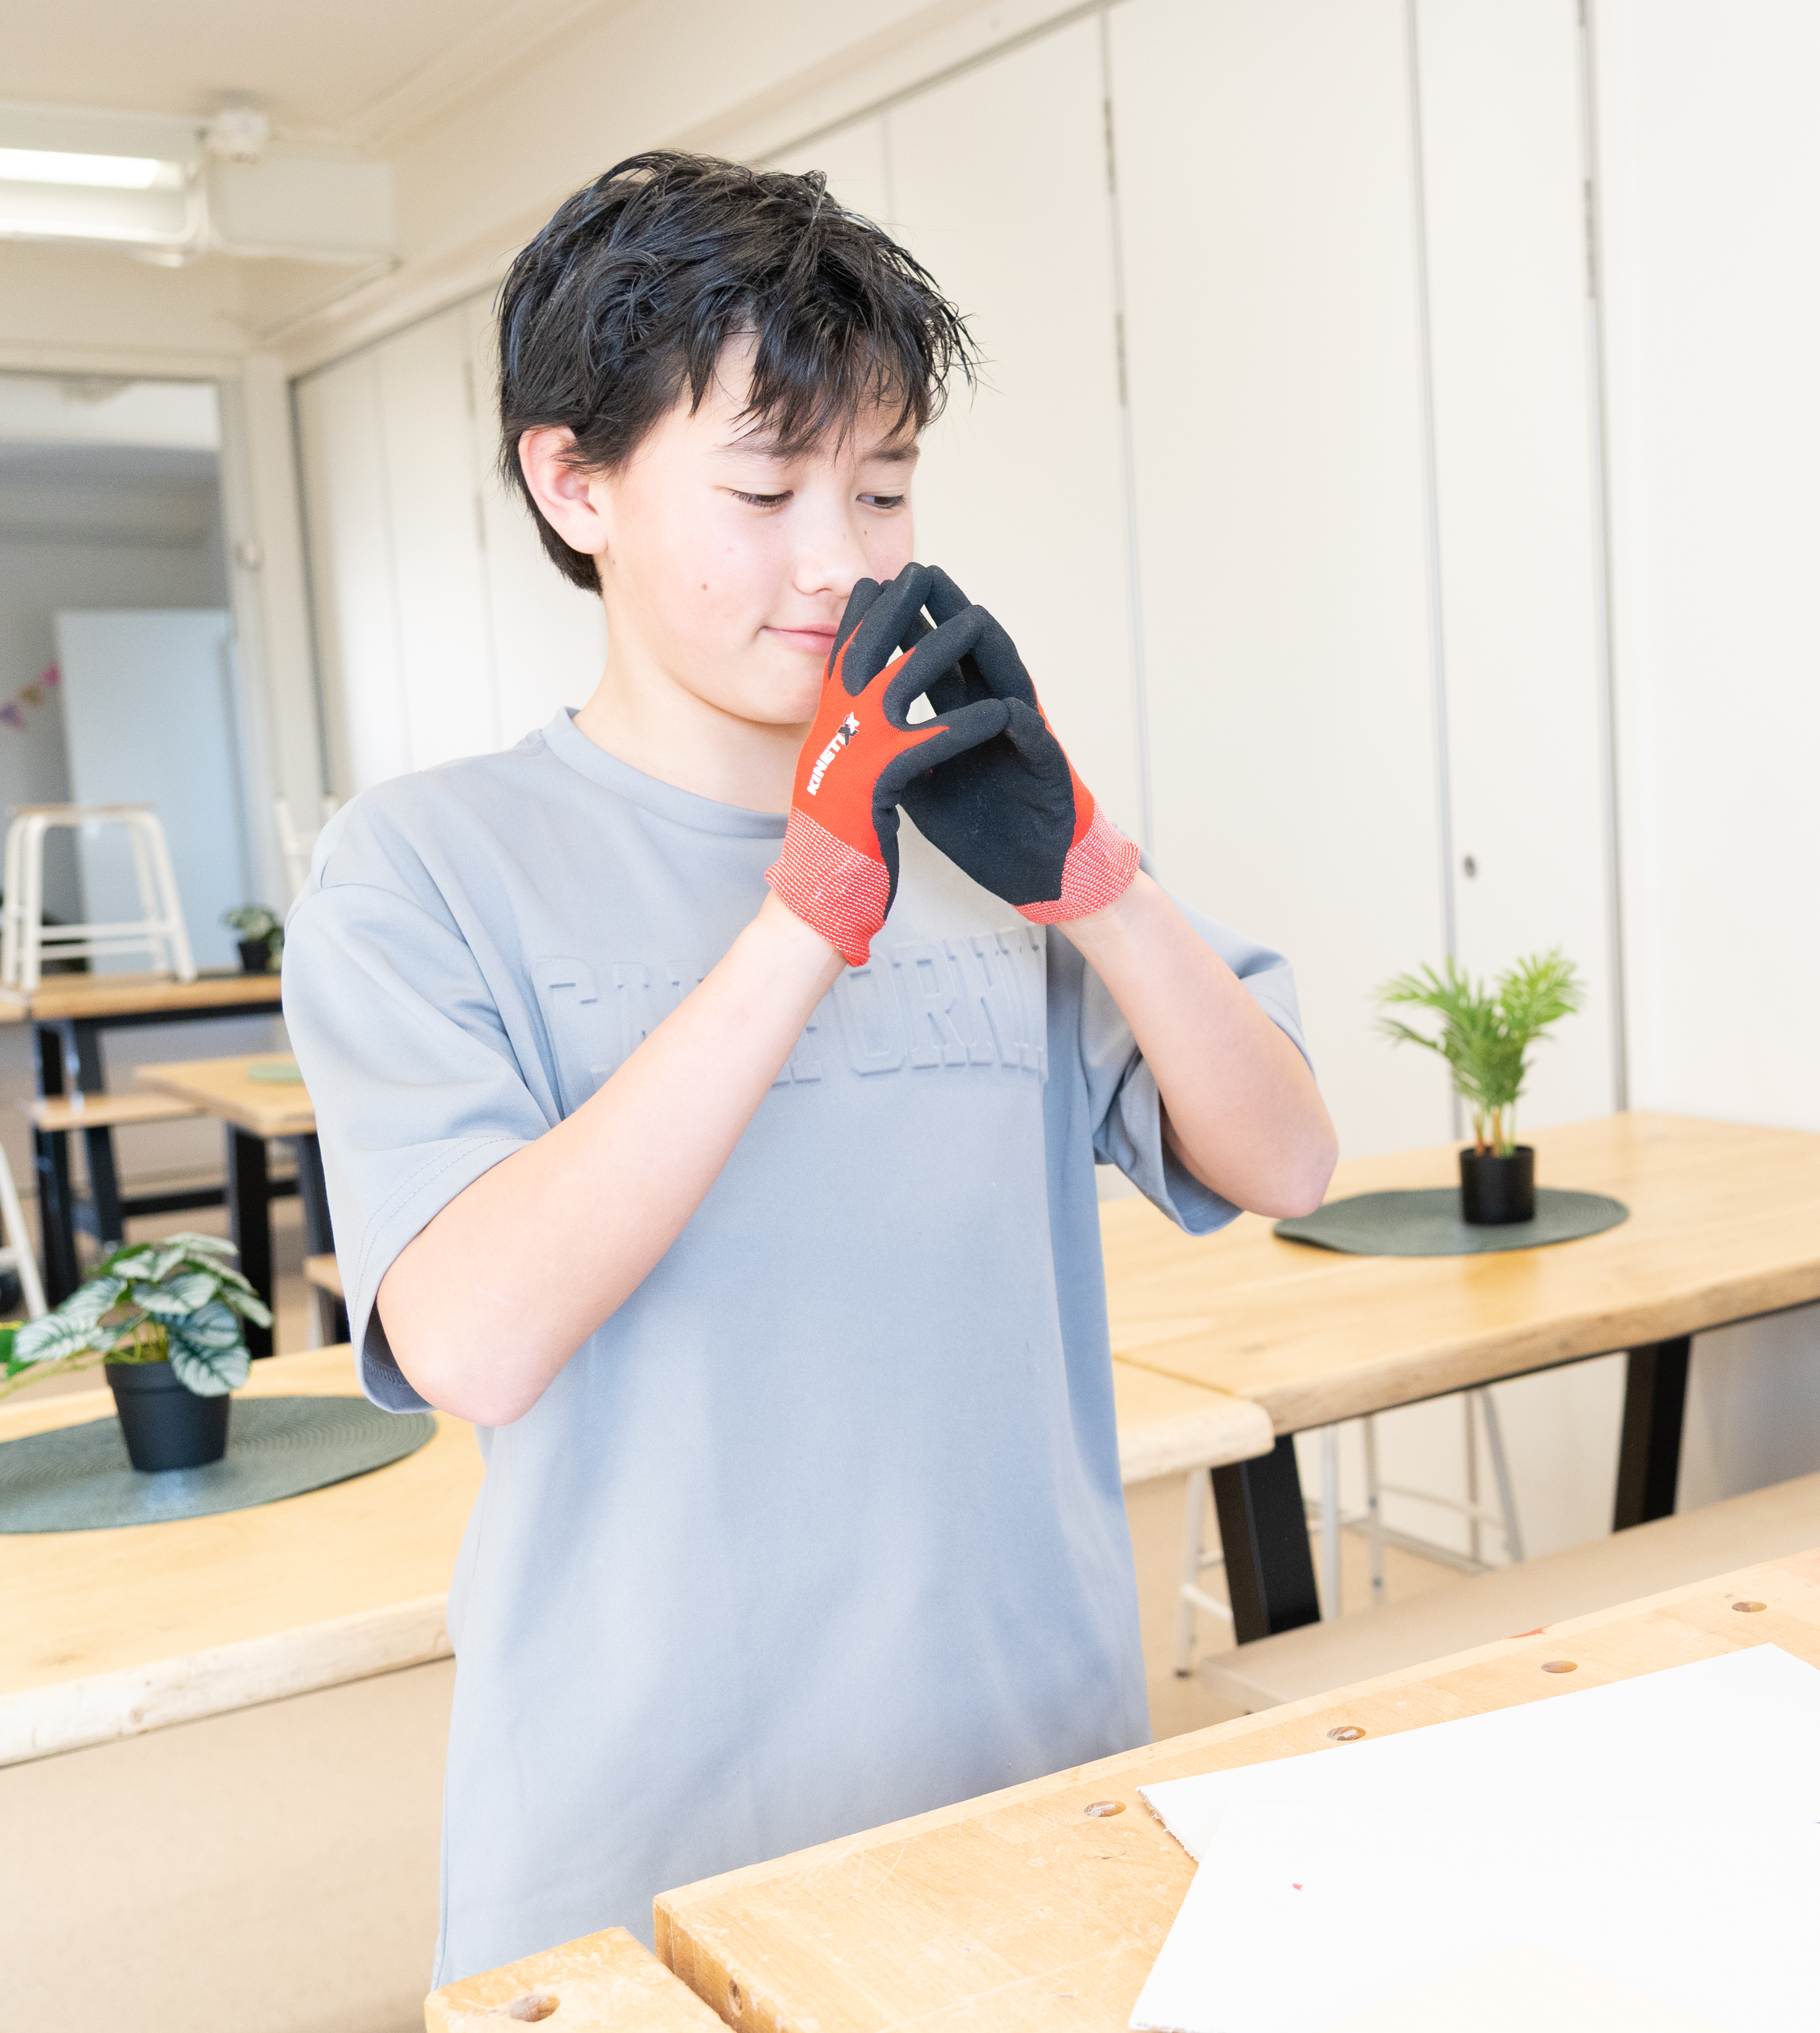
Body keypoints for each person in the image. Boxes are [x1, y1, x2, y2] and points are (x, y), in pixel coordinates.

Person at [284, 152, 1335, 1980]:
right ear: (574, 478)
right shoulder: (421, 866)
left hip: (1033, 1795)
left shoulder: (980, 847)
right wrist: (809, 906)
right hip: (635, 1855)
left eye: (884, 487)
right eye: (765, 488)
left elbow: (1290, 1162)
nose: (840, 559)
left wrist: (1097, 879)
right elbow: (470, 1335)